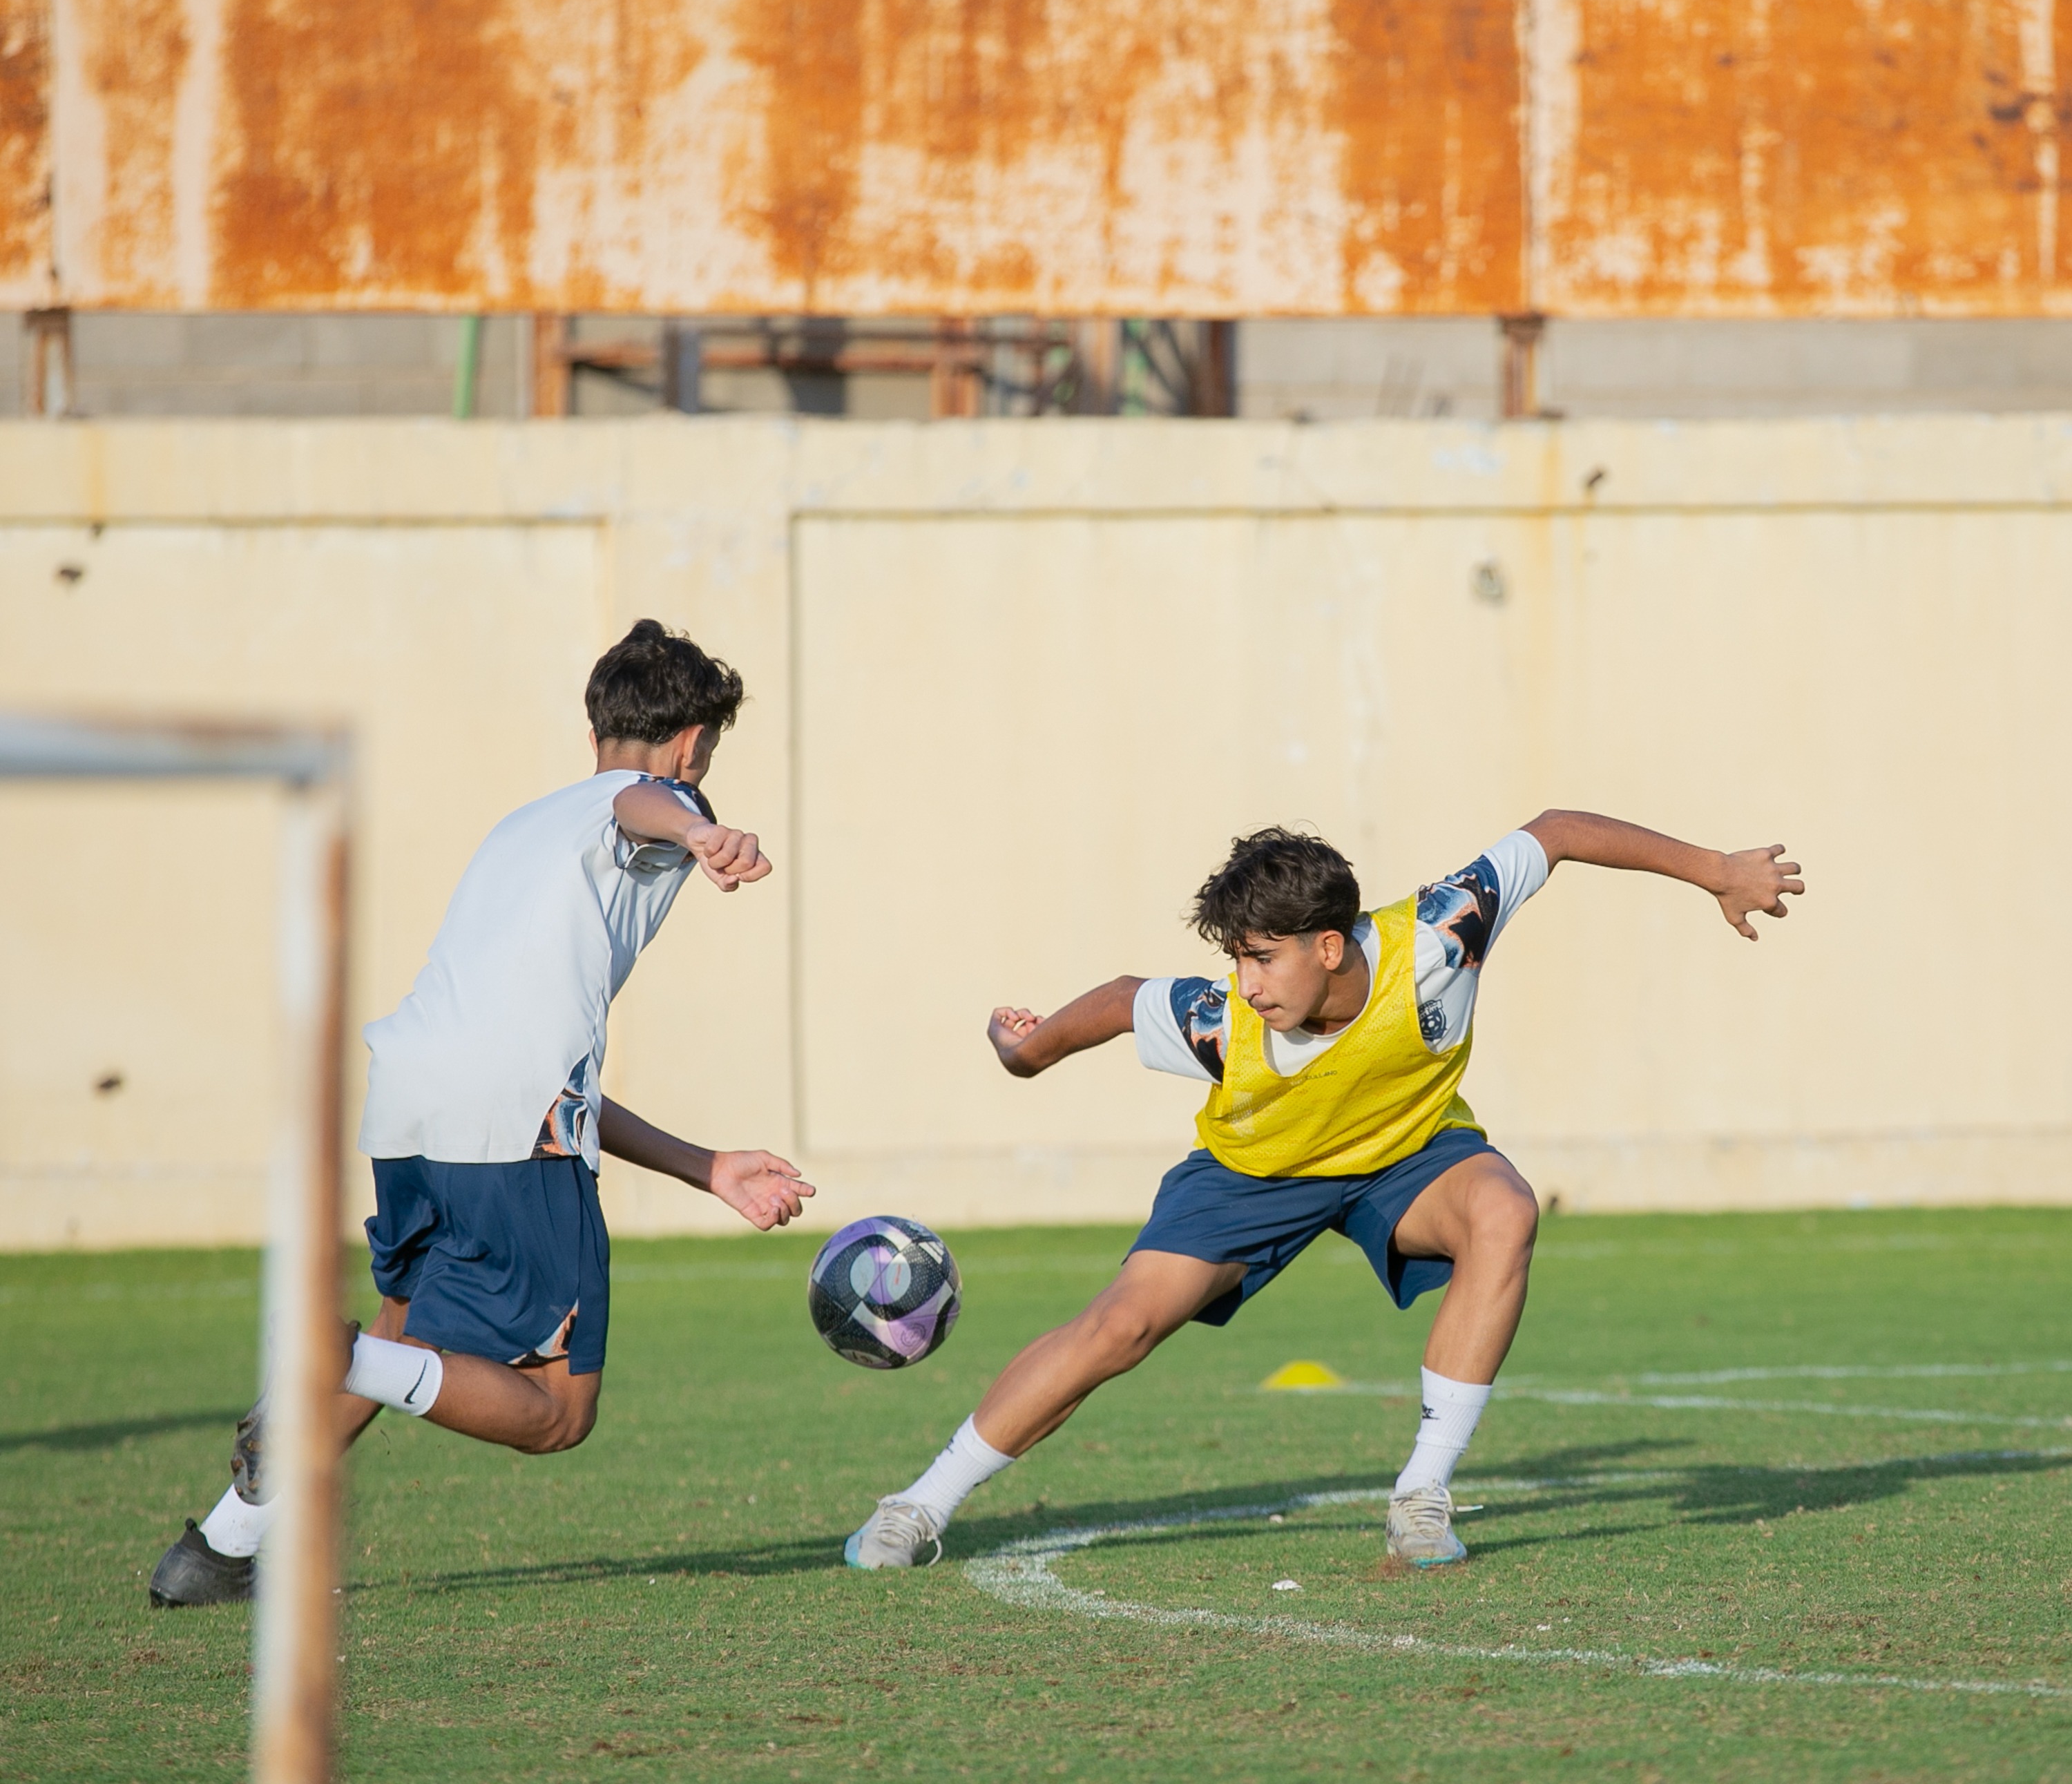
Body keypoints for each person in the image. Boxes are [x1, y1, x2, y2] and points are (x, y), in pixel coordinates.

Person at [843, 814, 1803, 1571]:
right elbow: (1124, 996)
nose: (1244, 981)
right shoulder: (1223, 1020)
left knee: (1505, 1213)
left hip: (1408, 1156)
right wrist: (1027, 1051)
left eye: (1262, 957)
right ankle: (917, 1506)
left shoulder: (1440, 934)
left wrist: (1715, 869)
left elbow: (1557, 831)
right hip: (1252, 1175)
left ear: (1332, 948)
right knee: (1119, 1331)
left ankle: (1422, 1498)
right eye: (1237, 958)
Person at [149, 620, 812, 1607]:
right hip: (506, 1118)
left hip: (413, 1098)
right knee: (555, 1412)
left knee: (405, 1330)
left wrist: (705, 1165)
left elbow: (538, 1065)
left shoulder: (525, 827)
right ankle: (326, 1359)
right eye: (704, 750)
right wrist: (698, 828)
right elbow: (642, 806)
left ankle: (217, 1549)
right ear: (689, 741)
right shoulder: (664, 799)